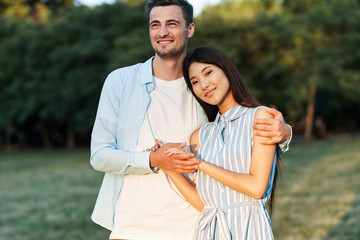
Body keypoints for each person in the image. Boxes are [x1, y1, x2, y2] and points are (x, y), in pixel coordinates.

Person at [90, 1, 292, 239]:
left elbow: (237, 134)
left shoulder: (205, 93)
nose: (162, 32)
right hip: (133, 225)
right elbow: (99, 155)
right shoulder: (120, 82)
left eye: (172, 24)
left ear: (190, 29)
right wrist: (153, 159)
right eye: (155, 25)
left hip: (195, 226)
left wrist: (286, 133)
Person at [159, 45, 283, 239]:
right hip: (210, 232)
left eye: (208, 72)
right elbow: (206, 204)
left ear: (226, 70)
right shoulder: (199, 136)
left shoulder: (260, 116)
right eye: (195, 82)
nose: (204, 84)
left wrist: (200, 164)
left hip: (249, 230)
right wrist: (170, 168)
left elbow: (256, 188)